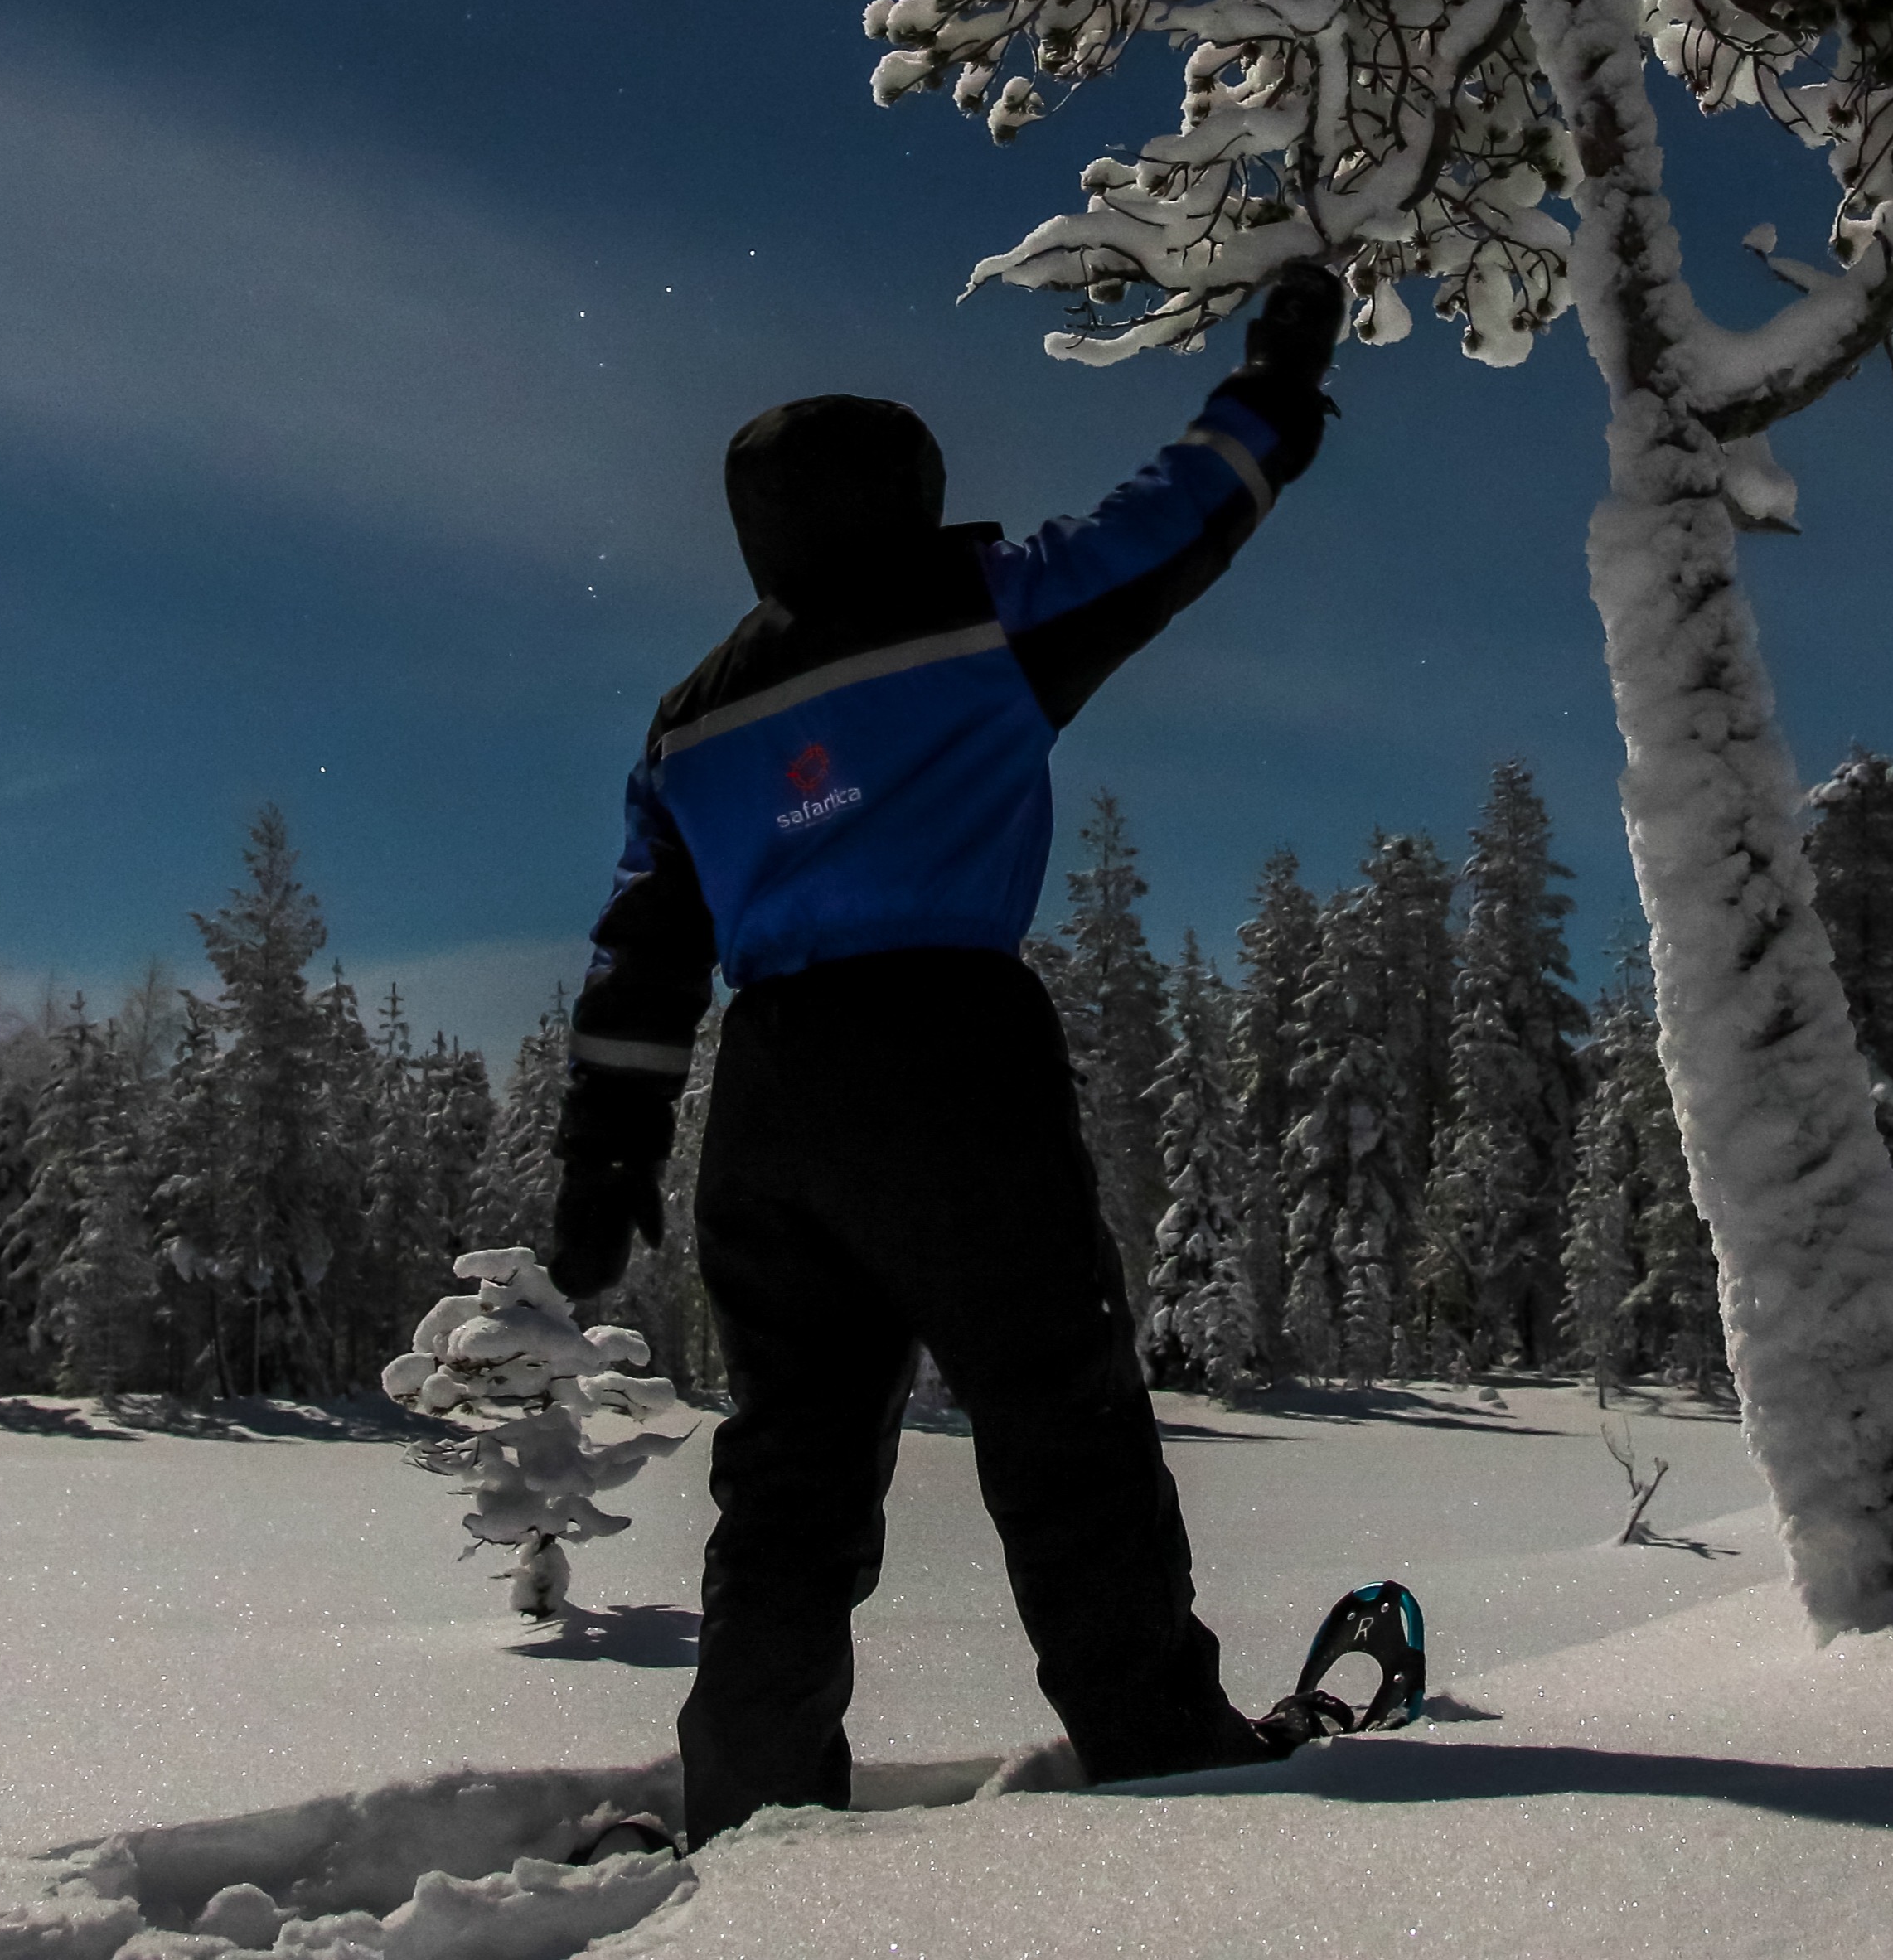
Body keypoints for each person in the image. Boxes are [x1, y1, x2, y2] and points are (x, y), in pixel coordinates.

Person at [542, 263, 1348, 1844]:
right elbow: (1178, 518)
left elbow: (644, 950)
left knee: (790, 1469)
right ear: (911, 493)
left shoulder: (690, 720)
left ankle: (753, 1796)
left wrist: (604, 1159)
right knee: (1061, 1421)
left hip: (770, 1098)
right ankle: (1164, 1748)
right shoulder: (980, 606)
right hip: (951, 1055)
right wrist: (1281, 378)